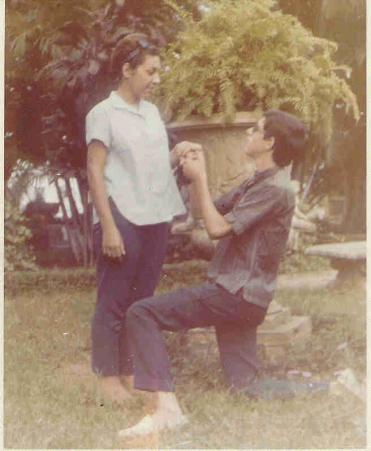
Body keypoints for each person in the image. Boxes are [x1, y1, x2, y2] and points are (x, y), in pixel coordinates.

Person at [118, 109, 309, 438]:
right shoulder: (258, 181)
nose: (248, 132)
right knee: (246, 387)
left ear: (269, 142)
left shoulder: (276, 189)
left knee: (141, 313)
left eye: (256, 129)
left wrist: (202, 177)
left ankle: (166, 410)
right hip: (248, 298)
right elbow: (207, 210)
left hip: (234, 294)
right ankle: (331, 387)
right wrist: (191, 170)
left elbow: (217, 228)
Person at [86, 33, 197, 402]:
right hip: (121, 212)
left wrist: (176, 153)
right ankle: (106, 377)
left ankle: (131, 370)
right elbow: (95, 171)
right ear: (127, 69)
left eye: (158, 72)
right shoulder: (102, 114)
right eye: (150, 71)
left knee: (142, 298)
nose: (156, 79)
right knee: (115, 296)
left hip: (155, 215)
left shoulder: (151, 113)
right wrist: (109, 227)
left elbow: (151, 166)